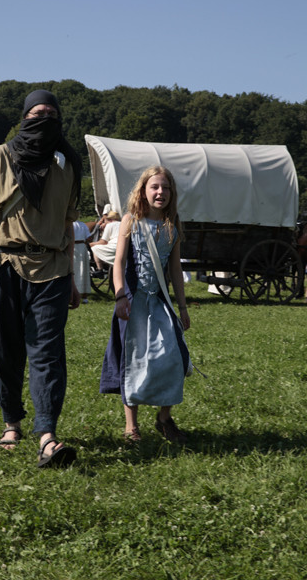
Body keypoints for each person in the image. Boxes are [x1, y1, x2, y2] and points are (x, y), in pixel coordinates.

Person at [0, 89, 82, 468]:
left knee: (48, 354)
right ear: (24, 118)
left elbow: (67, 225)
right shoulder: (0, 156)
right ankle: (11, 424)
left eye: (52, 115)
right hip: (5, 266)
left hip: (53, 270)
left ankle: (47, 436)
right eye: (37, 113)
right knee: (5, 350)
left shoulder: (68, 164)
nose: (44, 120)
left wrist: (72, 276)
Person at [100, 165, 191, 444]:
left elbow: (175, 269)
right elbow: (118, 263)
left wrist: (183, 308)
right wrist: (120, 297)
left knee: (174, 357)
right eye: (155, 187)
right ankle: (131, 426)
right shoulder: (130, 220)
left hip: (160, 303)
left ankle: (164, 418)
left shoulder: (172, 224)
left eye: (166, 187)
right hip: (133, 303)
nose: (160, 192)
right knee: (133, 361)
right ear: (143, 191)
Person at [89, 211, 121, 277]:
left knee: (95, 248)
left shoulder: (110, 225)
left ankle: (100, 269)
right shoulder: (122, 224)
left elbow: (103, 242)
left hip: (113, 247)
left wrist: (91, 244)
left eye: (105, 220)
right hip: (123, 247)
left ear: (109, 219)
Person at [73, 219, 91, 303]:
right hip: (82, 247)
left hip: (72, 247)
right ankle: (84, 296)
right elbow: (89, 238)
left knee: (73, 270)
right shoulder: (83, 225)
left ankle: (73, 293)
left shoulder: (68, 224)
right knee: (83, 270)